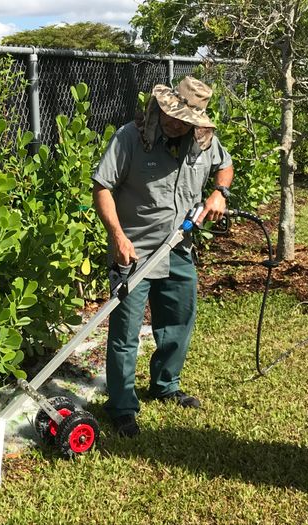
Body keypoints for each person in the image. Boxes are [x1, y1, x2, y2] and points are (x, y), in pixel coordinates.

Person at [91, 76, 234, 438]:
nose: (175, 123)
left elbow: (225, 166)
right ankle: (121, 406)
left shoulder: (204, 142)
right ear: (163, 105)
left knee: (178, 321)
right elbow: (102, 187)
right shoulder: (130, 137)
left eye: (185, 119)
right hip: (134, 252)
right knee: (125, 333)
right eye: (172, 114)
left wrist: (220, 192)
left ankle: (165, 385)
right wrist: (118, 237)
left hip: (179, 248)